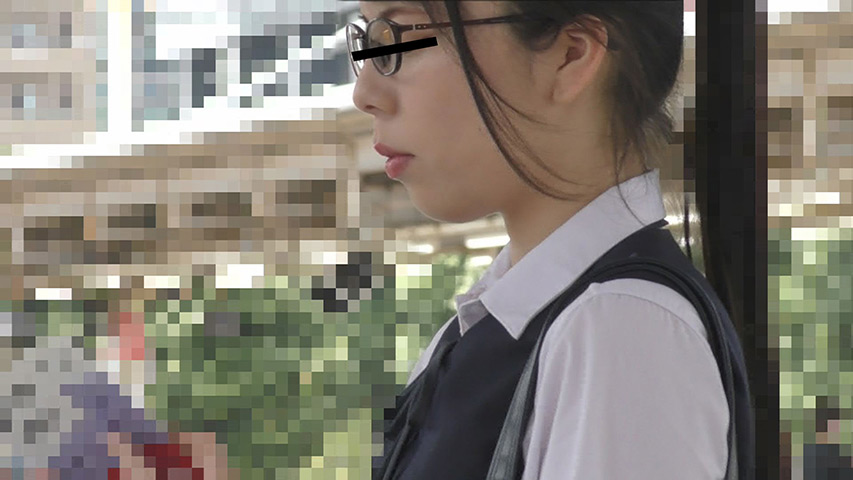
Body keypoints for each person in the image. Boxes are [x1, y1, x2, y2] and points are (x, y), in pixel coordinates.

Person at [348, 1, 748, 479]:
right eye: (368, 42)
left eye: (402, 37)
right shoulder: (494, 324)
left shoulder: (619, 327)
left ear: (571, 55)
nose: (364, 93)